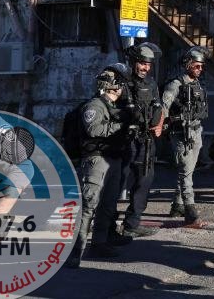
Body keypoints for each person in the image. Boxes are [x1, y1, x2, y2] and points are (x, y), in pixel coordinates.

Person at [66, 64, 134, 268]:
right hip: (96, 160)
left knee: (108, 205)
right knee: (89, 205)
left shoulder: (115, 108)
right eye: (119, 84)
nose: (122, 89)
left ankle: (99, 243)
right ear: (111, 86)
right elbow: (94, 129)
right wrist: (122, 125)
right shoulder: (94, 105)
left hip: (113, 159)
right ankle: (76, 250)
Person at [116, 42, 162, 238]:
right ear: (134, 62)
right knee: (116, 183)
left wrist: (159, 123)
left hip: (146, 141)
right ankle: (106, 225)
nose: (145, 68)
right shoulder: (121, 81)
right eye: (142, 63)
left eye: (148, 64)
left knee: (144, 181)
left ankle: (132, 224)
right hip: (123, 141)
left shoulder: (151, 84)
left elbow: (158, 106)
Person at [161, 47, 210, 225]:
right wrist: (162, 124)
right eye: (196, 66)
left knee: (188, 170)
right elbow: (164, 105)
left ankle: (177, 205)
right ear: (188, 64)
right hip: (181, 133)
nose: (199, 69)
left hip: (196, 131)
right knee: (185, 172)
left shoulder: (196, 84)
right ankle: (190, 211)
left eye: (201, 67)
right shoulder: (176, 84)